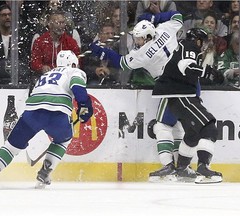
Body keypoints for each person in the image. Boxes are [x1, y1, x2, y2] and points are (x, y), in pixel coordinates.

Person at [90, 11, 185, 182]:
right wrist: (156, 18)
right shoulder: (164, 30)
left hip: (171, 85)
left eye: (139, 39)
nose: (136, 42)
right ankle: (183, 167)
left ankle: (169, 167)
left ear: (147, 37)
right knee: (177, 127)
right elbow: (177, 16)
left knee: (162, 126)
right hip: (189, 82)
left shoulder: (143, 54)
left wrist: (101, 51)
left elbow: (121, 63)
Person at [0, 50, 93, 189]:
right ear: (73, 63)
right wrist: (84, 105)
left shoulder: (47, 74)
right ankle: (44, 172)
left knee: (12, 146)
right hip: (57, 114)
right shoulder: (74, 72)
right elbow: (77, 87)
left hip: (32, 113)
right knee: (63, 140)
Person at [152, 28, 224, 183]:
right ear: (197, 39)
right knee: (209, 128)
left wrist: (204, 73)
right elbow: (186, 65)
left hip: (179, 96)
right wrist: (206, 73)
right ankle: (203, 169)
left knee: (193, 134)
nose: (204, 45)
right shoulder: (189, 46)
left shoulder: (182, 47)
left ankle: (182, 168)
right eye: (203, 41)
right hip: (181, 96)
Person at [0, 4, 29, 84]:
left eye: (9, 15)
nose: (7, 17)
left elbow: (24, 59)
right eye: (4, 15)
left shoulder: (20, 38)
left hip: (16, 78)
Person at [30, 10, 80, 83]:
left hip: (66, 79)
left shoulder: (71, 42)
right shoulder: (40, 41)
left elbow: (78, 61)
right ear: (50, 25)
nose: (61, 25)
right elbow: (34, 62)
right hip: (44, 79)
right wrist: (41, 67)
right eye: (58, 23)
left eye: (63, 22)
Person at [82, 21, 120, 86]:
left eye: (112, 33)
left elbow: (124, 69)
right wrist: (95, 70)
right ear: (100, 35)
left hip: (113, 81)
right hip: (93, 80)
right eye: (107, 33)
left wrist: (110, 71)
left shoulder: (119, 49)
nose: (110, 36)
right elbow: (84, 67)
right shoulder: (91, 48)